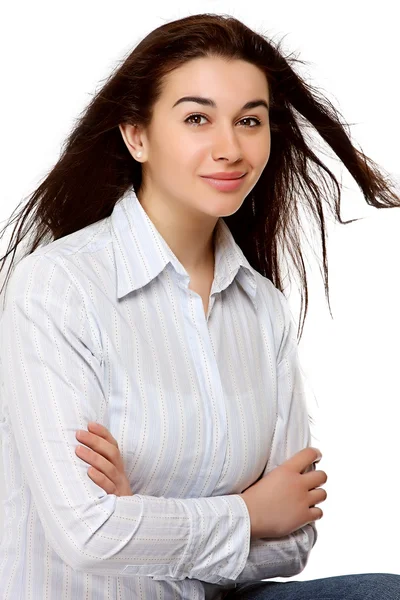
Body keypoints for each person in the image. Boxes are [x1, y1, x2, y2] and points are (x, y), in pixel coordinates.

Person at [0, 12, 399, 600]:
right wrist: (245, 513)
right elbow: (88, 533)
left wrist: (146, 516)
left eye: (249, 121)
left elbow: (293, 540)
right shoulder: (60, 288)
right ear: (136, 136)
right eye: (196, 118)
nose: (230, 148)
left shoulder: (261, 308)